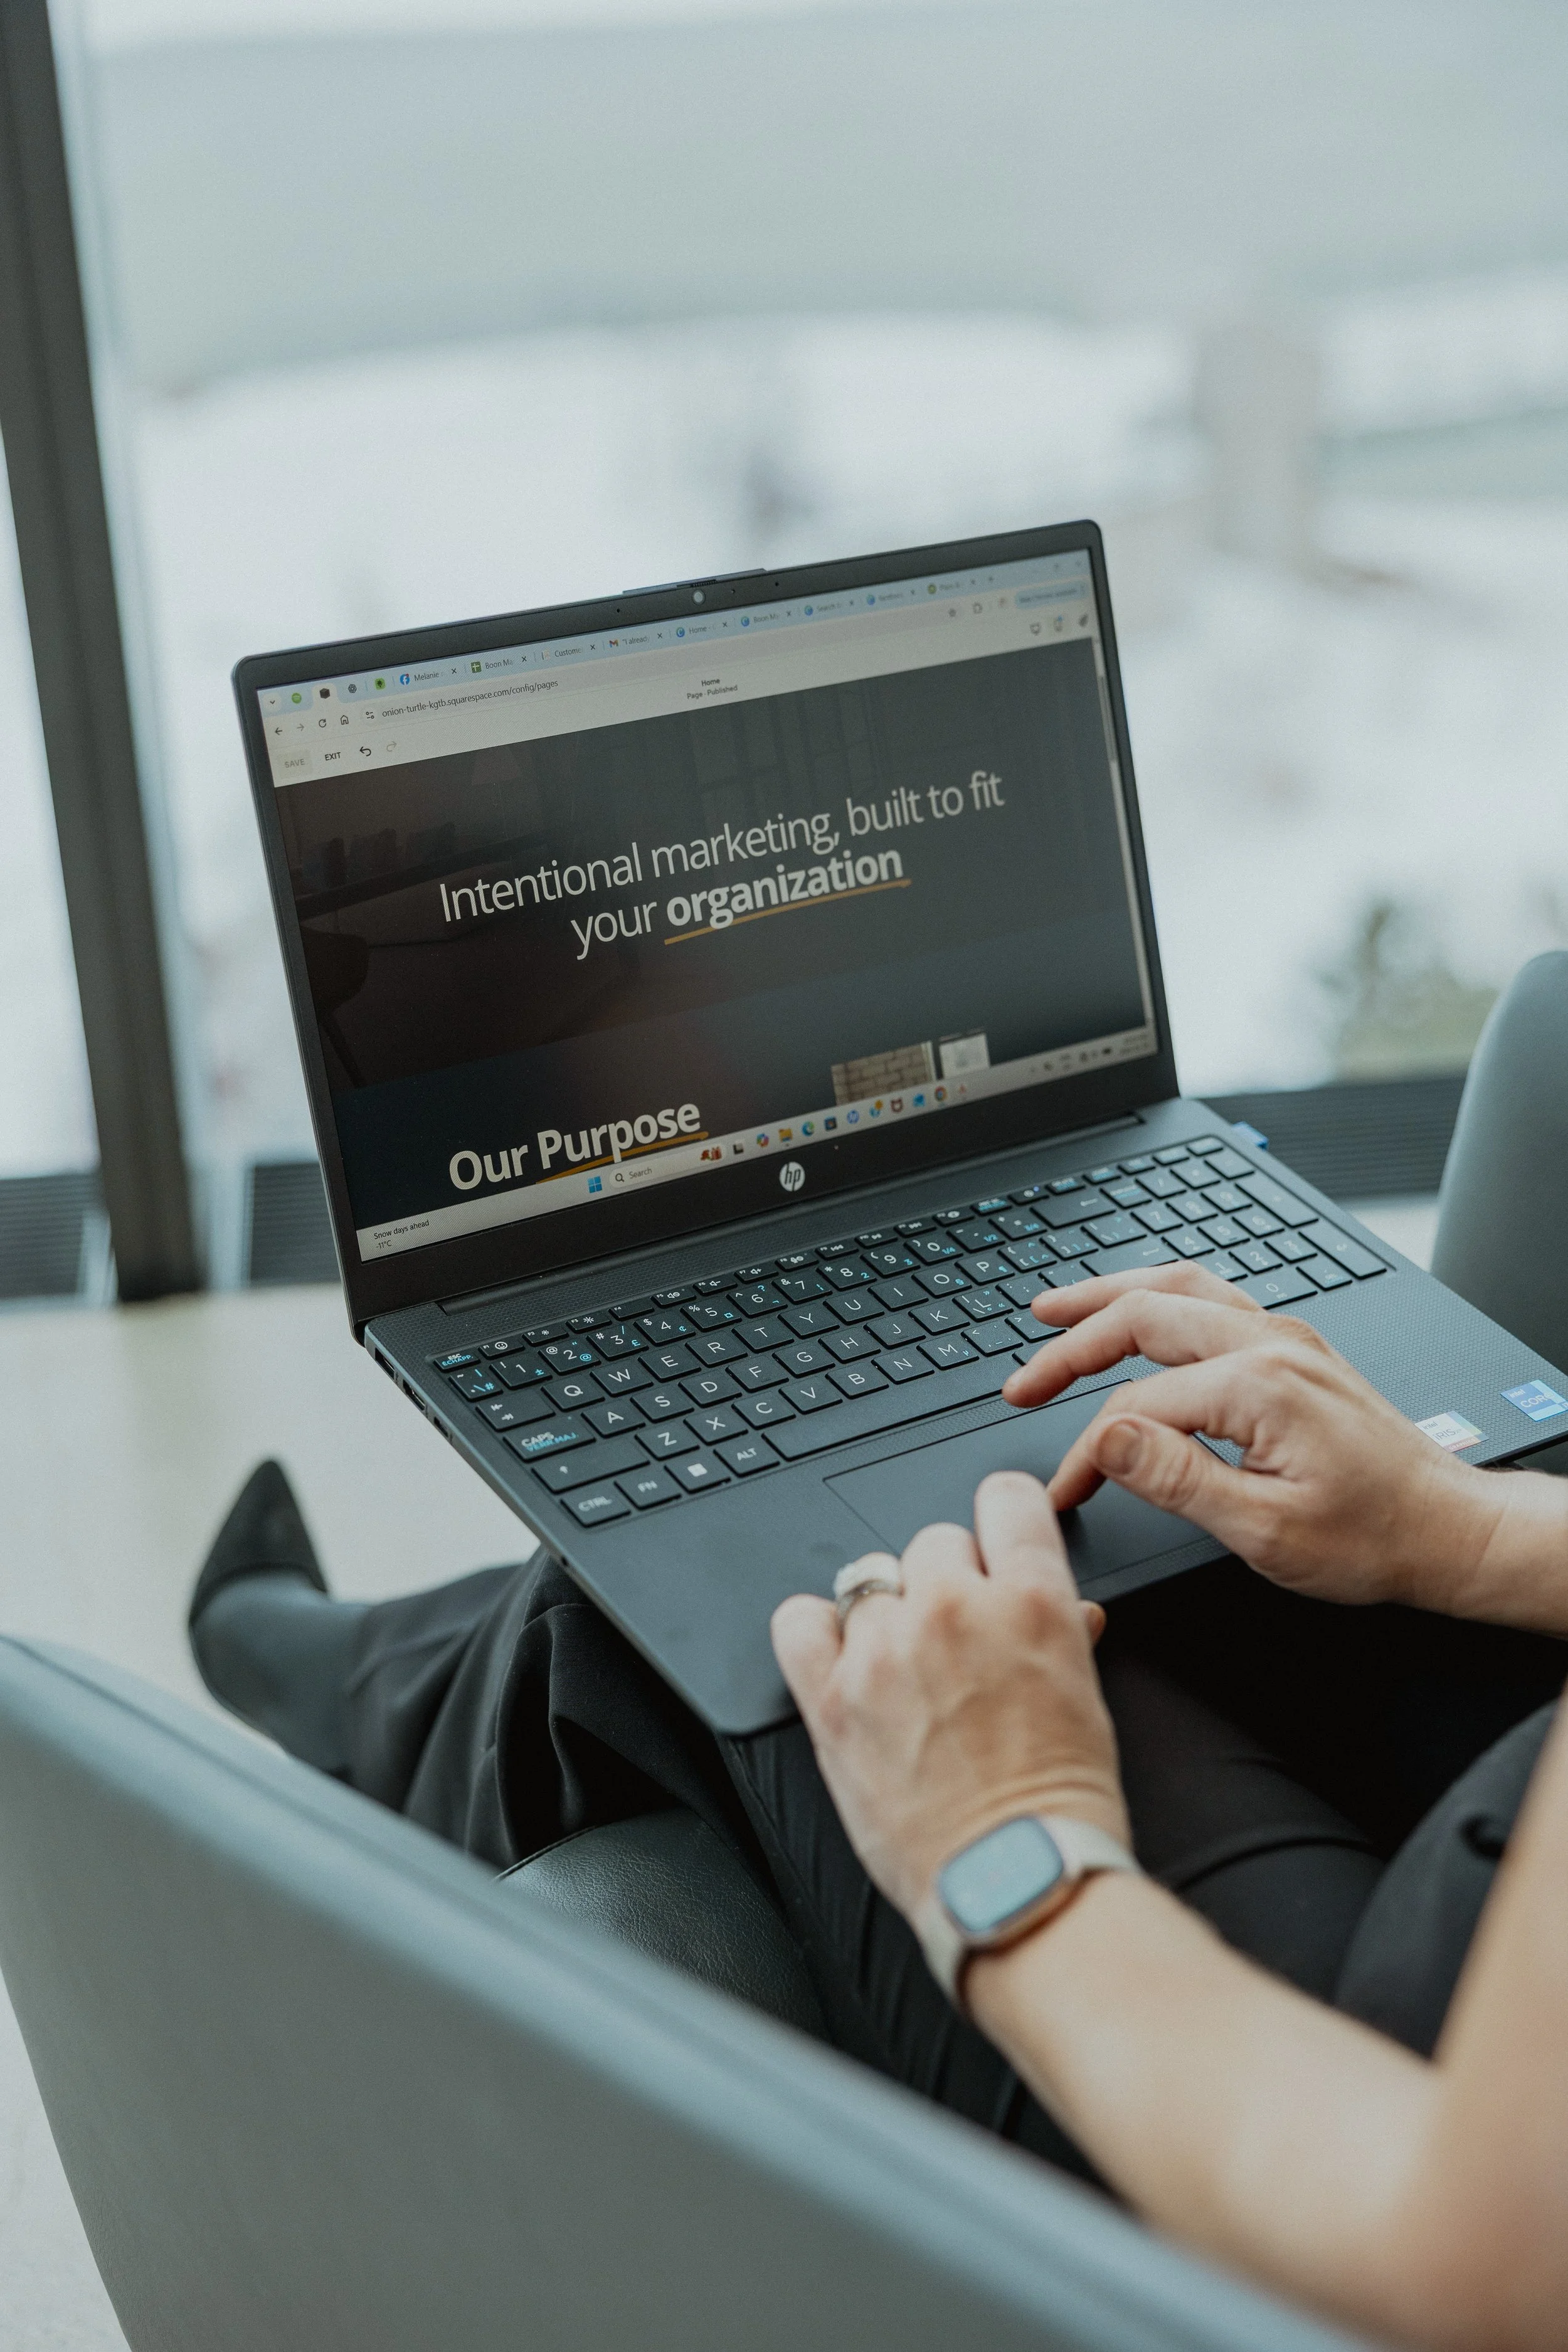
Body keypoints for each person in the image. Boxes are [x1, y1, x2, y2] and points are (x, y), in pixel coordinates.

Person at [191, 1263, 1568, 2350]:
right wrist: (1467, 1527)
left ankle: (324, 1683)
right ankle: (338, 1676)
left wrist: (1011, 1847)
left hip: (1367, 2158)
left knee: (770, 1614)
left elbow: (1469, 2289)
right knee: (1091, 1533)